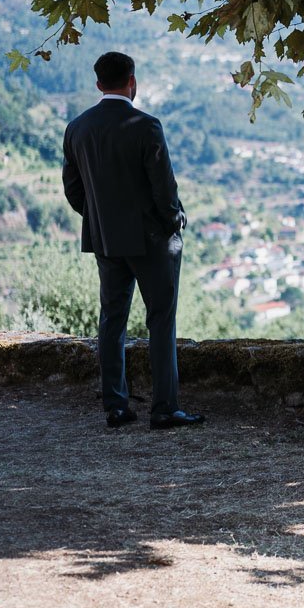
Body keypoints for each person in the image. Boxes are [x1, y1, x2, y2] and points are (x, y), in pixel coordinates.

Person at [62, 51, 204, 430]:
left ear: (98, 85)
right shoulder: (147, 126)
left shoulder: (77, 128)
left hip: (107, 241)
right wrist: (175, 221)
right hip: (152, 242)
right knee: (160, 320)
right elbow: (164, 190)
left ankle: (116, 406)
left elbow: (73, 190)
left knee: (112, 319)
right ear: (132, 81)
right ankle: (165, 408)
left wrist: (100, 221)